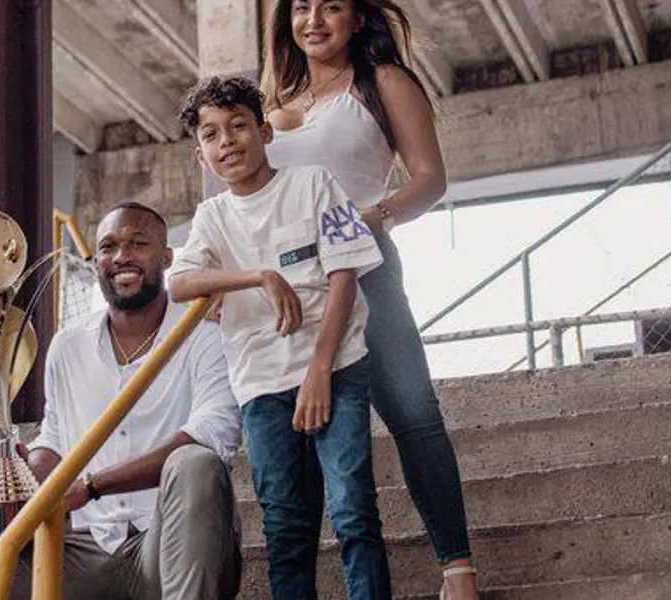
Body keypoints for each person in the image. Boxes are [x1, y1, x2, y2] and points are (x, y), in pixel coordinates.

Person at [259, 1, 479, 599]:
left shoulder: (382, 82)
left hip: (367, 272)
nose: (313, 19)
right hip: (292, 293)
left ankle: (457, 569)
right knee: (297, 440)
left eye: (330, 5)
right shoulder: (271, 103)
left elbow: (429, 178)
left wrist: (370, 218)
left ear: (357, 19)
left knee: (413, 414)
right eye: (301, 6)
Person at [0, 202, 243, 600]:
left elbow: (213, 435)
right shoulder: (68, 345)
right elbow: (55, 441)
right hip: (88, 551)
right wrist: (13, 469)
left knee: (195, 463)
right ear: (96, 263)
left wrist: (92, 486)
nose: (121, 256)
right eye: (107, 247)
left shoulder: (204, 334)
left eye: (138, 243)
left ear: (166, 256)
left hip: (171, 546)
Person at [168, 76, 391, 600]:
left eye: (239, 126)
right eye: (212, 135)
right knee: (286, 529)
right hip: (261, 388)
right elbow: (179, 283)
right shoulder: (211, 217)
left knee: (353, 510)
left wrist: (320, 368)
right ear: (201, 156)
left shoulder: (315, 183)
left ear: (265, 132)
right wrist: (258, 277)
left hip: (336, 368)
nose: (228, 142)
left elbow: (345, 273)